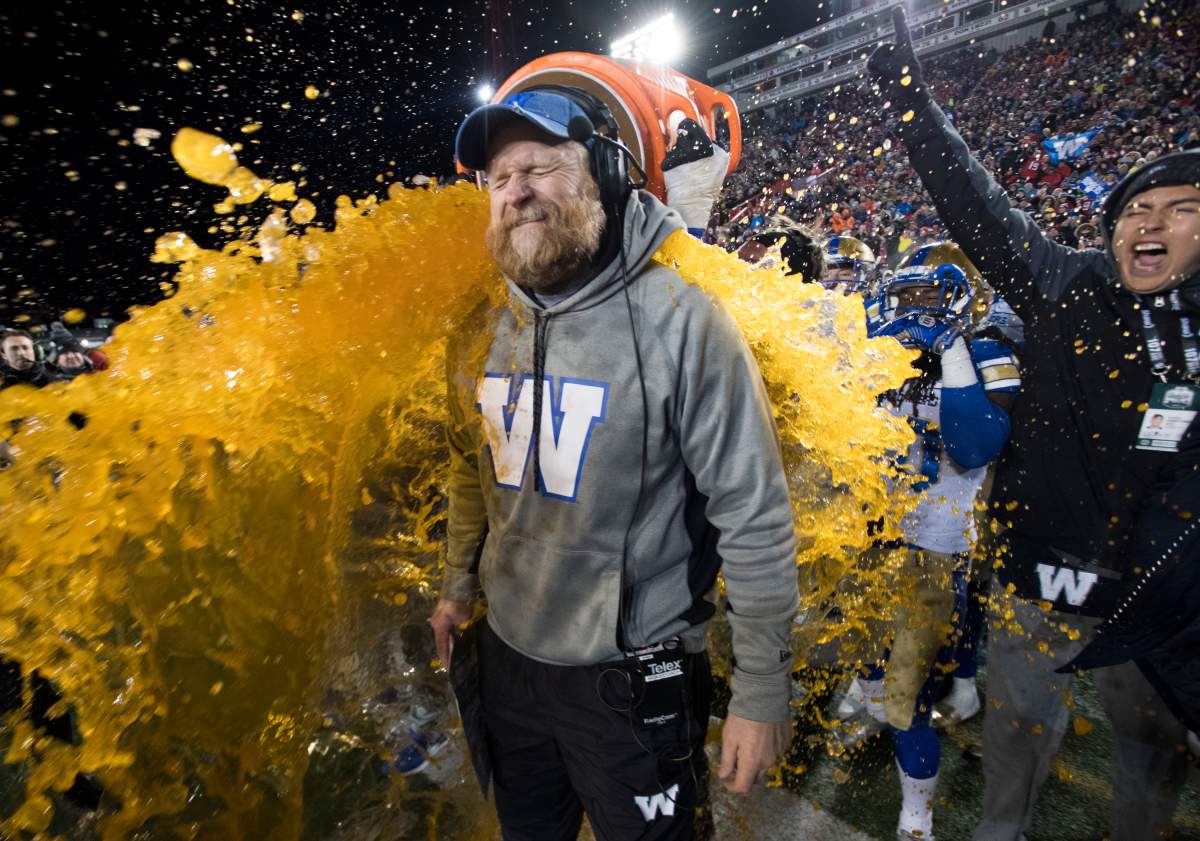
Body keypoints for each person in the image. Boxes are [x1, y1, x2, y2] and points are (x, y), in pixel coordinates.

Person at [431, 87, 799, 841]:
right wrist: (456, 588)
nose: (518, 191)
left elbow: (755, 518)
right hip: (509, 662)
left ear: (606, 171)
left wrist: (761, 692)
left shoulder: (684, 321)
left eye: (541, 165)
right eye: (498, 180)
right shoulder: (479, 329)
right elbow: (473, 475)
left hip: (631, 676)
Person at [869, 8, 1196, 840]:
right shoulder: (1066, 285)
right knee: (1015, 753)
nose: (1148, 222)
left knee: (1150, 761)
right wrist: (909, 95)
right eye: (1134, 208)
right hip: (1037, 575)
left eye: (1180, 207)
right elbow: (973, 203)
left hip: (1159, 595)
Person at [855, 251, 1020, 841]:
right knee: (871, 676)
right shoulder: (884, 354)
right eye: (905, 300)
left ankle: (916, 816)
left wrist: (951, 349)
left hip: (935, 551)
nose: (910, 313)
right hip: (872, 541)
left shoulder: (984, 353)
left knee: (907, 699)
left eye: (925, 300)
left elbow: (974, 445)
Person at [1, 329, 69, 389]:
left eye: (25, 347)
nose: (21, 353)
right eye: (14, 349)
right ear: (4, 355)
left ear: (34, 351)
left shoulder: (55, 377)